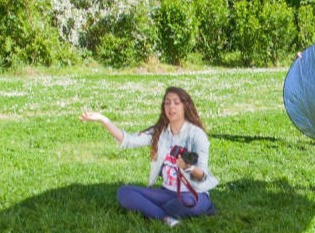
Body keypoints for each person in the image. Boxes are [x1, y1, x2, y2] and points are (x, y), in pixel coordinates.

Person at [81, 86, 218, 225]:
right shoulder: (160, 132)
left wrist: (188, 168)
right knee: (124, 192)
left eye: (177, 103)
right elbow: (128, 140)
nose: (171, 107)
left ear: (185, 106)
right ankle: (165, 217)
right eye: (167, 102)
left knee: (190, 203)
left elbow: (202, 175)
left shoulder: (196, 135)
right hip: (166, 193)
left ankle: (152, 210)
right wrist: (102, 119)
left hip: (194, 193)